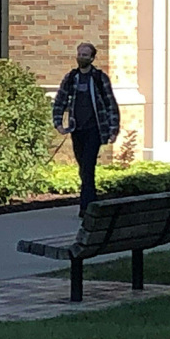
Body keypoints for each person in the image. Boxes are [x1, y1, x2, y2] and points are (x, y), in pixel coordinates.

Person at [52, 43, 120, 217]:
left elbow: (110, 103)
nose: (81, 57)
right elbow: (60, 101)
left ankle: (86, 208)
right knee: (83, 169)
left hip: (95, 129)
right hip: (77, 130)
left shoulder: (99, 78)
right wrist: (58, 123)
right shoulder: (71, 78)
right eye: (80, 54)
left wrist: (113, 129)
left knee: (88, 167)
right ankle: (93, 204)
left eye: (85, 55)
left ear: (92, 58)